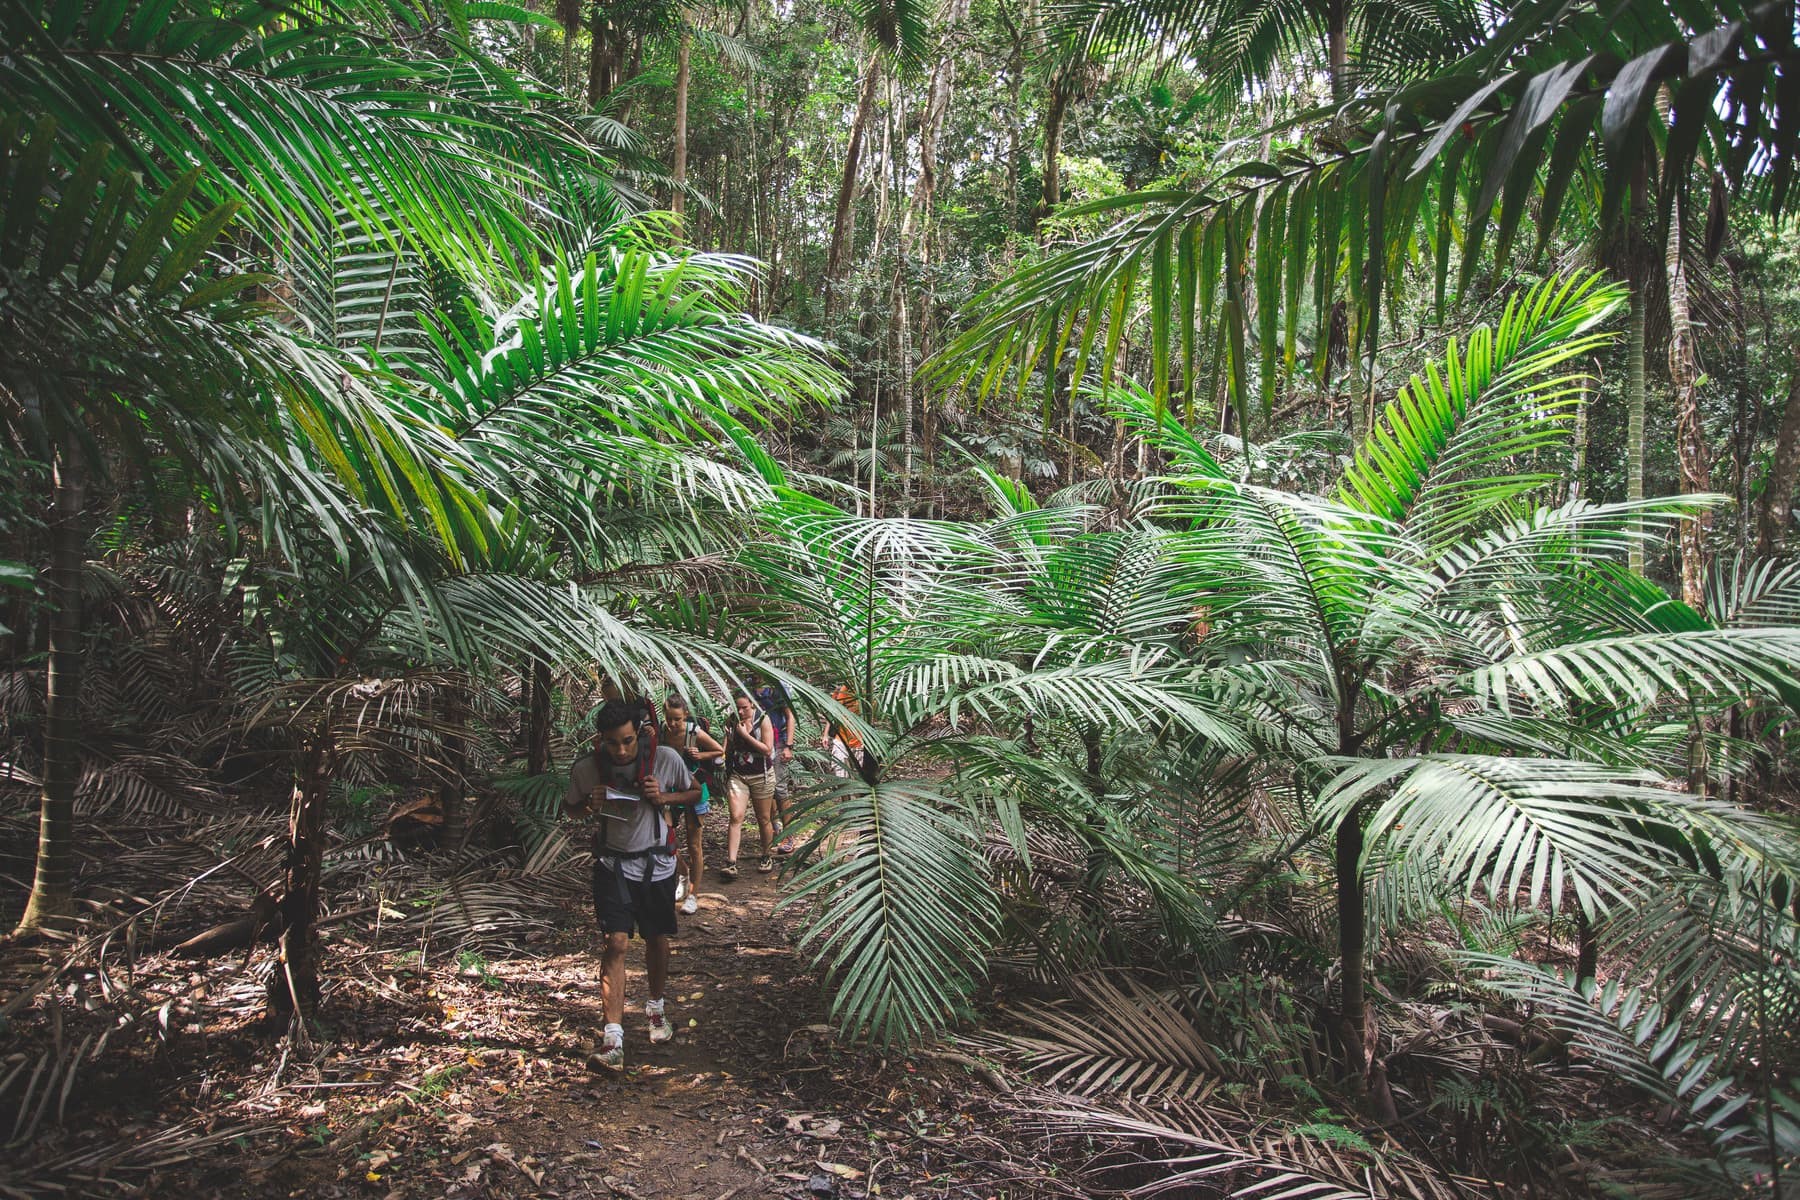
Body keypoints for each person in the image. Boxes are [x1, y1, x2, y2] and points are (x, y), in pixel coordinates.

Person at [564, 699, 698, 1071]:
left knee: (656, 938)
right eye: (612, 743)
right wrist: (588, 806)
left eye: (627, 741)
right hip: (613, 865)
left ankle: (655, 1007)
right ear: (601, 740)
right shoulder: (588, 769)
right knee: (616, 942)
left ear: (638, 734)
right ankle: (613, 1037)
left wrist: (665, 796)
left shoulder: (666, 759)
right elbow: (571, 807)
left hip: (656, 864)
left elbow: (697, 792)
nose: (621, 750)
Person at [661, 693, 723, 914]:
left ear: (685, 715)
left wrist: (700, 754)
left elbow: (719, 750)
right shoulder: (661, 732)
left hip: (695, 790)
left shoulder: (693, 732)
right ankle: (683, 872)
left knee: (694, 843)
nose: (673, 723)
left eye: (677, 718)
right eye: (669, 718)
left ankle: (693, 896)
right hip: (671, 791)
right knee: (666, 838)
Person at [721, 692, 778, 878]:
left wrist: (745, 735)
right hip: (739, 775)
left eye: (744, 707)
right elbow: (727, 748)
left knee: (763, 818)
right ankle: (731, 862)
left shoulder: (763, 719)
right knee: (736, 816)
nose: (741, 711)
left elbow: (767, 749)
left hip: (761, 775)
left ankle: (766, 855)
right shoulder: (731, 721)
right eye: (737, 707)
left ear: (752, 705)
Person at [751, 674, 797, 853]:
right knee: (765, 786)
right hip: (758, 743)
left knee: (780, 789)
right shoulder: (747, 686)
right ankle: (774, 826)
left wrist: (788, 746)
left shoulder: (777, 687)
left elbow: (789, 715)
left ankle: (789, 833)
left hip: (778, 742)